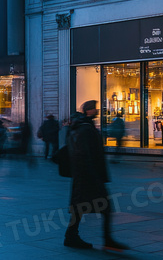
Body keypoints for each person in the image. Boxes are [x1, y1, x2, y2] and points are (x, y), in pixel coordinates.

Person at [64, 100, 128, 251]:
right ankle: (106, 239)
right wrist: (93, 174)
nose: (97, 111)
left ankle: (72, 236)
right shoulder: (85, 128)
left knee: (80, 208)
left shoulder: (81, 126)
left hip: (85, 176)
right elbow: (83, 153)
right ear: (88, 111)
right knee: (103, 208)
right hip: (89, 176)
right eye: (94, 109)